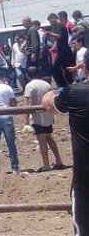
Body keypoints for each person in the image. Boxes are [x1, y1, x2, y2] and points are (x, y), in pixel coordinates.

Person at [43, 49, 89, 235]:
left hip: (85, 178)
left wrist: (52, 93)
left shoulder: (74, 92)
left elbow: (49, 105)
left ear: (85, 68)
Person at [24, 66, 64, 172]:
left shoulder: (29, 86)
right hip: (48, 114)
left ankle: (46, 164)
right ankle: (59, 160)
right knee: (49, 138)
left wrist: (26, 119)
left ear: (28, 75)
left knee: (41, 140)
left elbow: (29, 103)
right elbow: (51, 99)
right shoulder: (47, 84)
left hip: (37, 117)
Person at [46, 12, 74, 87]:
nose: (50, 22)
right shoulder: (55, 27)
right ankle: (63, 84)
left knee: (65, 68)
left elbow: (59, 36)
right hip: (59, 51)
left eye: (50, 20)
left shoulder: (60, 25)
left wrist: (50, 34)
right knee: (55, 68)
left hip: (64, 51)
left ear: (54, 18)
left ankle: (68, 83)